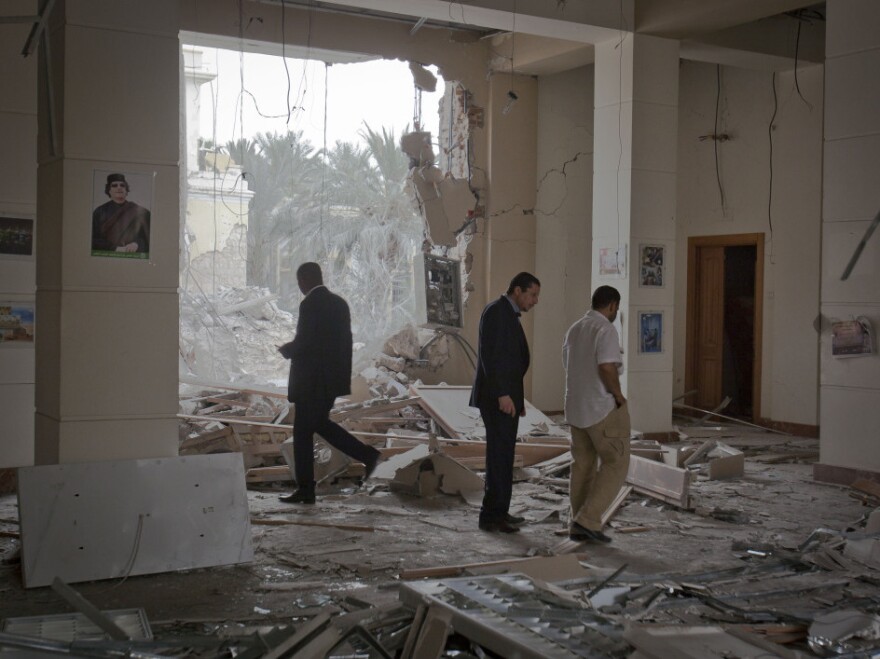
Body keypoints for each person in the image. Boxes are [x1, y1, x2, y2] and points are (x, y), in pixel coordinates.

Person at [277, 262, 381, 504]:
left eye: (299, 281)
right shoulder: (339, 303)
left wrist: (287, 350)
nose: (300, 286)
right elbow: (340, 344)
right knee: (320, 425)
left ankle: (306, 490)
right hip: (331, 381)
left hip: (311, 382)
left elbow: (306, 341)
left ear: (304, 279)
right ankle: (367, 455)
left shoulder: (310, 304)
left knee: (303, 433)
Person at [470, 272, 541, 533]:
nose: (535, 301)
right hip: (496, 399)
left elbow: (512, 362)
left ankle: (500, 511)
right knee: (499, 457)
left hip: (507, 397)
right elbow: (491, 358)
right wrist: (502, 395)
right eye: (532, 295)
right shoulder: (496, 312)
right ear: (518, 290)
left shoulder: (508, 314)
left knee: (504, 456)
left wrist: (517, 399)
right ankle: (491, 516)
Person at [562, 285, 631, 543]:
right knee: (616, 462)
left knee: (582, 465)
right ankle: (588, 519)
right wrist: (618, 395)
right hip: (600, 407)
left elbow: (568, 364)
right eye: (616, 308)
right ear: (612, 305)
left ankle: (577, 522)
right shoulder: (605, 329)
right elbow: (606, 366)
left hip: (575, 406)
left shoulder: (575, 328)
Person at [91, 173, 151, 255]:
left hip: (134, 256)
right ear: (109, 191)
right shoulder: (99, 211)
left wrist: (136, 244)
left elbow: (148, 238)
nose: (119, 187)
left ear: (126, 190)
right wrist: (115, 249)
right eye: (114, 185)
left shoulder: (141, 212)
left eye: (122, 185)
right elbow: (93, 239)